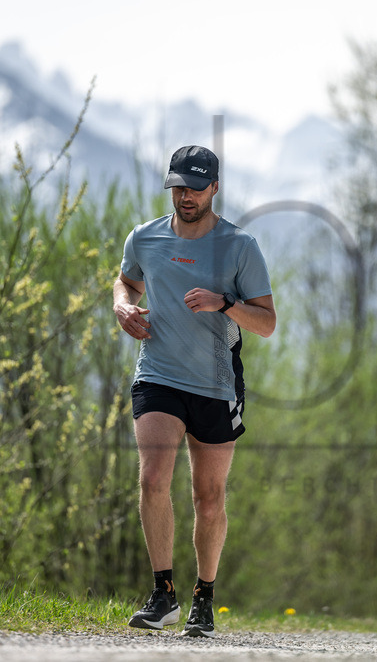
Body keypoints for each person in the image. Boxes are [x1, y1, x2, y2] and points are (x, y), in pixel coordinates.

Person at [113, 145, 276, 637]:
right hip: (158, 374)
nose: (185, 196)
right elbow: (125, 283)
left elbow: (266, 323)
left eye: (195, 187)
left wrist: (224, 303)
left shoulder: (239, 247)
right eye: (178, 186)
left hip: (215, 384)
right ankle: (163, 594)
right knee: (152, 480)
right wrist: (123, 309)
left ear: (215, 188)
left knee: (208, 497)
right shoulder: (145, 238)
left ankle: (203, 598)